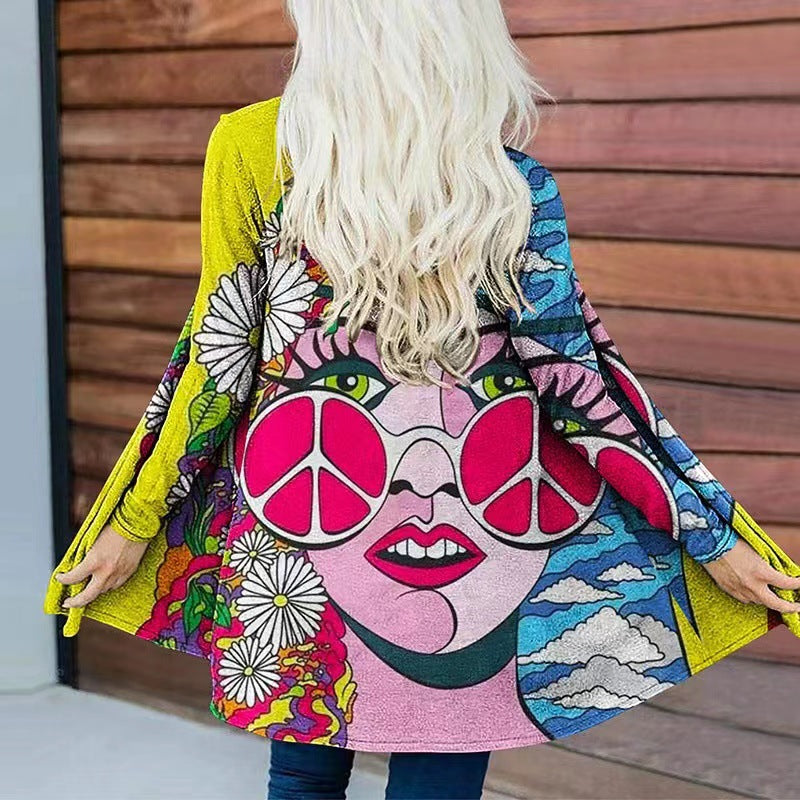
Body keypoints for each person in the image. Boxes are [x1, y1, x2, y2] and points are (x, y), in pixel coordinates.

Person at [44, 2, 800, 799]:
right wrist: (713, 537)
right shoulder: (506, 184)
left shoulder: (258, 148)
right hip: (468, 531)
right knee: (429, 771)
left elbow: (216, 359)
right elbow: (582, 387)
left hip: (305, 516)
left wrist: (134, 520)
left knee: (303, 774)